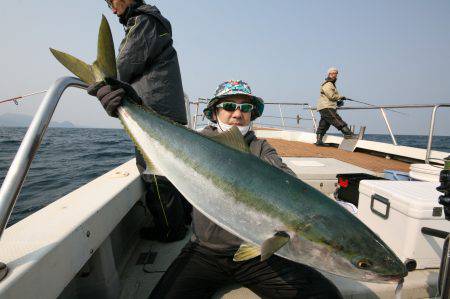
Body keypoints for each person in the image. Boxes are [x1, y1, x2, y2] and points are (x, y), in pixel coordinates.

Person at [149, 80, 343, 299]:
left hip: (258, 253)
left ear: (252, 114)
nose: (237, 113)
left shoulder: (261, 148)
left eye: (246, 108)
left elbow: (284, 177)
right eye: (229, 106)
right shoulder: (196, 142)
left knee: (325, 295)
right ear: (215, 113)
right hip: (204, 252)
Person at [87, 0, 191, 242]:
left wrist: (99, 77)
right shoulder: (152, 20)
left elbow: (121, 69)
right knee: (174, 170)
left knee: (154, 173)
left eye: (113, 1)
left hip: (154, 111)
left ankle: (170, 230)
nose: (112, 9)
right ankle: (183, 218)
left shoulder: (143, 21)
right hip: (165, 110)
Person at [315, 67, 354, 146]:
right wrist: (341, 97)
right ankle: (348, 133)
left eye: (336, 74)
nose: (335, 75)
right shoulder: (328, 84)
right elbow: (331, 96)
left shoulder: (331, 84)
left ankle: (319, 141)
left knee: (324, 124)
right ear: (329, 74)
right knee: (336, 119)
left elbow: (330, 97)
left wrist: (337, 102)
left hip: (325, 106)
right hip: (327, 107)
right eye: (333, 74)